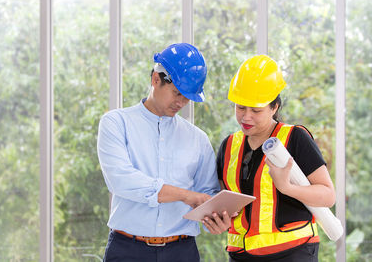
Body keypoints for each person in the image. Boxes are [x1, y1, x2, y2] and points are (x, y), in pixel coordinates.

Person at [202, 55, 336, 262]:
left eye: (256, 110)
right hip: (240, 255)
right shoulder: (229, 145)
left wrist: (288, 188)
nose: (246, 117)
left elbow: (328, 196)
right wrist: (219, 220)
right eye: (240, 107)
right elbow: (223, 199)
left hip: (293, 253)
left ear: (274, 107)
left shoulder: (294, 138)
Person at [97, 43, 220, 262]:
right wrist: (185, 195)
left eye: (187, 97)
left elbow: (207, 195)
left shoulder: (198, 139)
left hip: (182, 252)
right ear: (156, 79)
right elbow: (121, 180)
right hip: (127, 251)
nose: (181, 102)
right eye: (177, 93)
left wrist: (216, 218)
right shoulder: (116, 123)